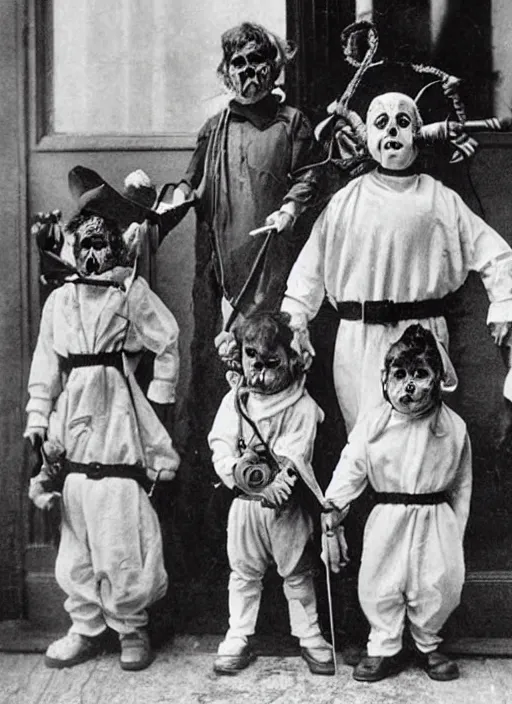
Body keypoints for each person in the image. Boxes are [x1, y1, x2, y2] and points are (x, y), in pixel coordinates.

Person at [282, 89, 512, 434]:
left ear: (418, 134)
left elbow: (495, 252)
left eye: (403, 123)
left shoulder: (439, 198)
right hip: (358, 340)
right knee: (362, 440)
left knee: (420, 439)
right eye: (381, 123)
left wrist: (504, 303)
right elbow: (311, 265)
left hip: (422, 338)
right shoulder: (346, 201)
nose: (392, 132)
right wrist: (297, 316)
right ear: (368, 138)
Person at [26, 167, 180, 671]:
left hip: (117, 409)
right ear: (73, 248)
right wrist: (38, 416)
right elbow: (46, 366)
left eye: (103, 244)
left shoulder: (127, 293)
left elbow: (167, 337)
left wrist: (159, 396)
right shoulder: (61, 300)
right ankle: (86, 625)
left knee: (118, 516)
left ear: (116, 246)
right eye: (84, 244)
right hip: (74, 412)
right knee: (78, 522)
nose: (94, 255)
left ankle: (130, 625)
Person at [174, 22, 322, 453]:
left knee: (277, 365)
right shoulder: (214, 129)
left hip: (276, 264)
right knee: (225, 374)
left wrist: (290, 208)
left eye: (258, 60)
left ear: (274, 68)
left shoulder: (292, 124)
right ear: (226, 73)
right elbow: (190, 182)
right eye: (239, 63)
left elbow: (311, 174)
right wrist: (174, 200)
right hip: (226, 270)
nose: (249, 71)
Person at [322, 325, 472, 682]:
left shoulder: (452, 428)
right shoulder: (374, 424)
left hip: (435, 515)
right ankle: (384, 643)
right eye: (400, 374)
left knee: (436, 580)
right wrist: (334, 506)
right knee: (380, 578)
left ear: (437, 378)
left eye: (420, 374)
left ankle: (427, 641)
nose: (410, 385)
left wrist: (456, 529)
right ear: (385, 378)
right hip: (388, 515)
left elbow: (462, 485)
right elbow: (352, 465)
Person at [208, 311, 335, 676]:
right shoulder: (237, 402)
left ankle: (310, 635)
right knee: (243, 572)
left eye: (271, 363)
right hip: (246, 504)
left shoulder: (301, 405)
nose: (260, 372)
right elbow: (220, 444)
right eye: (253, 360)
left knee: (297, 570)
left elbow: (297, 451)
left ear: (292, 359)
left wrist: (280, 474)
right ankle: (238, 635)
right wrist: (239, 470)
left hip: (286, 506)